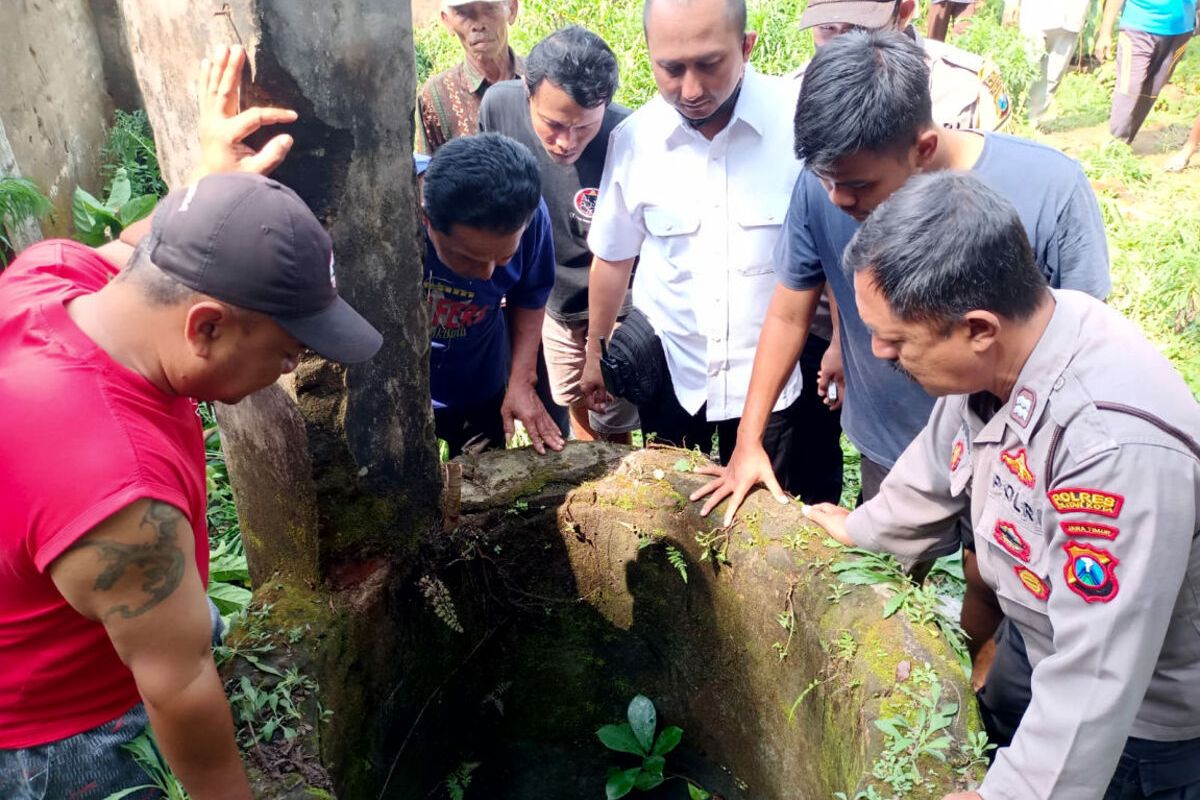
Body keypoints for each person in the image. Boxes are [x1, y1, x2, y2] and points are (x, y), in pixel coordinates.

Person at [0, 46, 382, 800]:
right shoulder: (124, 497)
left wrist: (210, 189)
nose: (289, 368)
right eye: (286, 350)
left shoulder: (50, 279)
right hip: (67, 728)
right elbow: (177, 686)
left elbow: (138, 249)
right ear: (205, 327)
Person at [693, 30, 1109, 708]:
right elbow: (790, 311)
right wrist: (748, 442)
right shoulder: (826, 189)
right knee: (883, 571)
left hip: (1014, 458)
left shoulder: (1049, 190)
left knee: (992, 577)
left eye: (859, 185)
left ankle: (980, 672)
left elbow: (1079, 343)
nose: (838, 200)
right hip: (891, 439)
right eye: (826, 180)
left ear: (922, 148)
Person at [803, 171, 1200, 800]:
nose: (877, 352)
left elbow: (1097, 673)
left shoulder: (1111, 449)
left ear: (979, 329)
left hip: (1138, 721)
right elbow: (932, 474)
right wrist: (858, 531)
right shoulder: (1011, 351)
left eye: (897, 338)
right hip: (1033, 632)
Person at [580, 0, 806, 486]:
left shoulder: (799, 125)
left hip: (771, 381)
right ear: (649, 54)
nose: (691, 90)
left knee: (770, 512)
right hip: (672, 373)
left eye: (709, 64)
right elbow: (613, 257)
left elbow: (835, 246)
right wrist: (596, 352)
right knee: (675, 506)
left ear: (746, 46)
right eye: (671, 69)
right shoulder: (636, 141)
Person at [479, 26, 640, 444]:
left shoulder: (629, 136)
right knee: (577, 403)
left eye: (584, 128)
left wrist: (599, 347)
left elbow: (624, 253)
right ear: (528, 92)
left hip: (619, 300)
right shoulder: (499, 107)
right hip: (551, 298)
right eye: (553, 124)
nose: (566, 142)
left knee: (615, 418)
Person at [420, 132, 565, 458]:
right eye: (468, 258)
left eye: (504, 258)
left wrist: (522, 381)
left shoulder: (527, 215)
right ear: (427, 221)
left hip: (479, 378)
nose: (487, 274)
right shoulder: (387, 210)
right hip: (403, 387)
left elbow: (530, 294)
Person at [797, 0, 1011, 131]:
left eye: (859, 28)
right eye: (827, 28)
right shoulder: (793, 92)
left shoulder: (966, 87)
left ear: (903, 13)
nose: (841, 44)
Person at [416, 0, 522, 154]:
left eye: (489, 8)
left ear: (511, 9)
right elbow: (429, 166)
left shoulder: (540, 81)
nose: (478, 25)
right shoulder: (435, 97)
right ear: (447, 21)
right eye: (464, 13)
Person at [1094, 0, 1196, 143]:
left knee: (1152, 89)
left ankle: (1126, 140)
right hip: (1138, 26)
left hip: (1180, 31)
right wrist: (1105, 33)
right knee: (1130, 85)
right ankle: (1116, 141)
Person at [1004, 0, 1093, 123]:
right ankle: (1005, 116)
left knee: (1052, 77)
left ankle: (1031, 123)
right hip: (1036, 12)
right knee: (1023, 68)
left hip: (1073, 16)